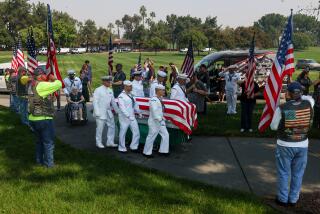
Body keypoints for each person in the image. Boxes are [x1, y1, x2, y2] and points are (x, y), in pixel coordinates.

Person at [270, 81, 314, 207]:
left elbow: (273, 127)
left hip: (285, 144)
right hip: (303, 143)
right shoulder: (309, 104)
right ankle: (293, 199)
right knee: (298, 173)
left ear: (288, 93)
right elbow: (308, 99)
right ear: (301, 93)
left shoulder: (283, 108)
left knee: (284, 172)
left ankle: (282, 199)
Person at [28, 67, 62, 168]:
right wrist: (53, 78)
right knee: (48, 142)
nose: (45, 76)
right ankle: (49, 164)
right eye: (44, 74)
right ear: (41, 75)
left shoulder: (31, 85)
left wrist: (49, 98)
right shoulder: (42, 84)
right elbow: (59, 84)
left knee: (39, 142)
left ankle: (39, 161)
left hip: (33, 117)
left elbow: (39, 98)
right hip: (43, 118)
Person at [143, 84, 169, 158]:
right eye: (163, 90)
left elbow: (160, 110)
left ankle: (163, 151)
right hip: (155, 121)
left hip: (160, 121)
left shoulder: (159, 99)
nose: (164, 91)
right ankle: (146, 152)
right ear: (158, 91)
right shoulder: (153, 99)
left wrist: (162, 118)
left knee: (165, 134)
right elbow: (154, 111)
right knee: (151, 136)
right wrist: (160, 118)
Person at [93, 76, 118, 148]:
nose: (110, 83)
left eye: (110, 81)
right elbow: (95, 102)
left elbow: (113, 102)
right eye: (108, 81)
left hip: (108, 111)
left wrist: (117, 111)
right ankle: (98, 142)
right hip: (100, 112)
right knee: (100, 128)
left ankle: (110, 142)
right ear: (103, 82)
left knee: (112, 126)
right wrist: (97, 112)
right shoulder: (98, 90)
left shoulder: (110, 90)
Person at [117, 80, 140, 153]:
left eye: (131, 86)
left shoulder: (131, 95)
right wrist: (128, 115)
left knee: (136, 131)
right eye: (130, 86)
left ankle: (134, 146)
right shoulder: (121, 96)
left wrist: (139, 112)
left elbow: (135, 104)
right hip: (124, 117)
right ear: (125, 87)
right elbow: (122, 108)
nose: (131, 87)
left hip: (132, 116)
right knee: (123, 132)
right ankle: (121, 147)